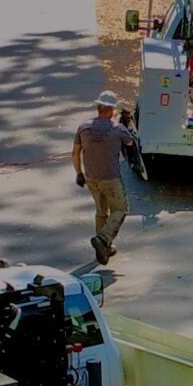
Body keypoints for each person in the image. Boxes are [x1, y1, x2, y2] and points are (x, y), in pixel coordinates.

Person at [71, 90, 140, 264]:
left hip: (91, 178)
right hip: (111, 178)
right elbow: (131, 142)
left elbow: (75, 153)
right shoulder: (117, 128)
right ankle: (103, 239)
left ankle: (103, 250)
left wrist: (79, 173)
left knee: (101, 212)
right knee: (120, 209)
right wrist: (128, 121)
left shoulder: (83, 127)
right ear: (110, 110)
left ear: (98, 107)